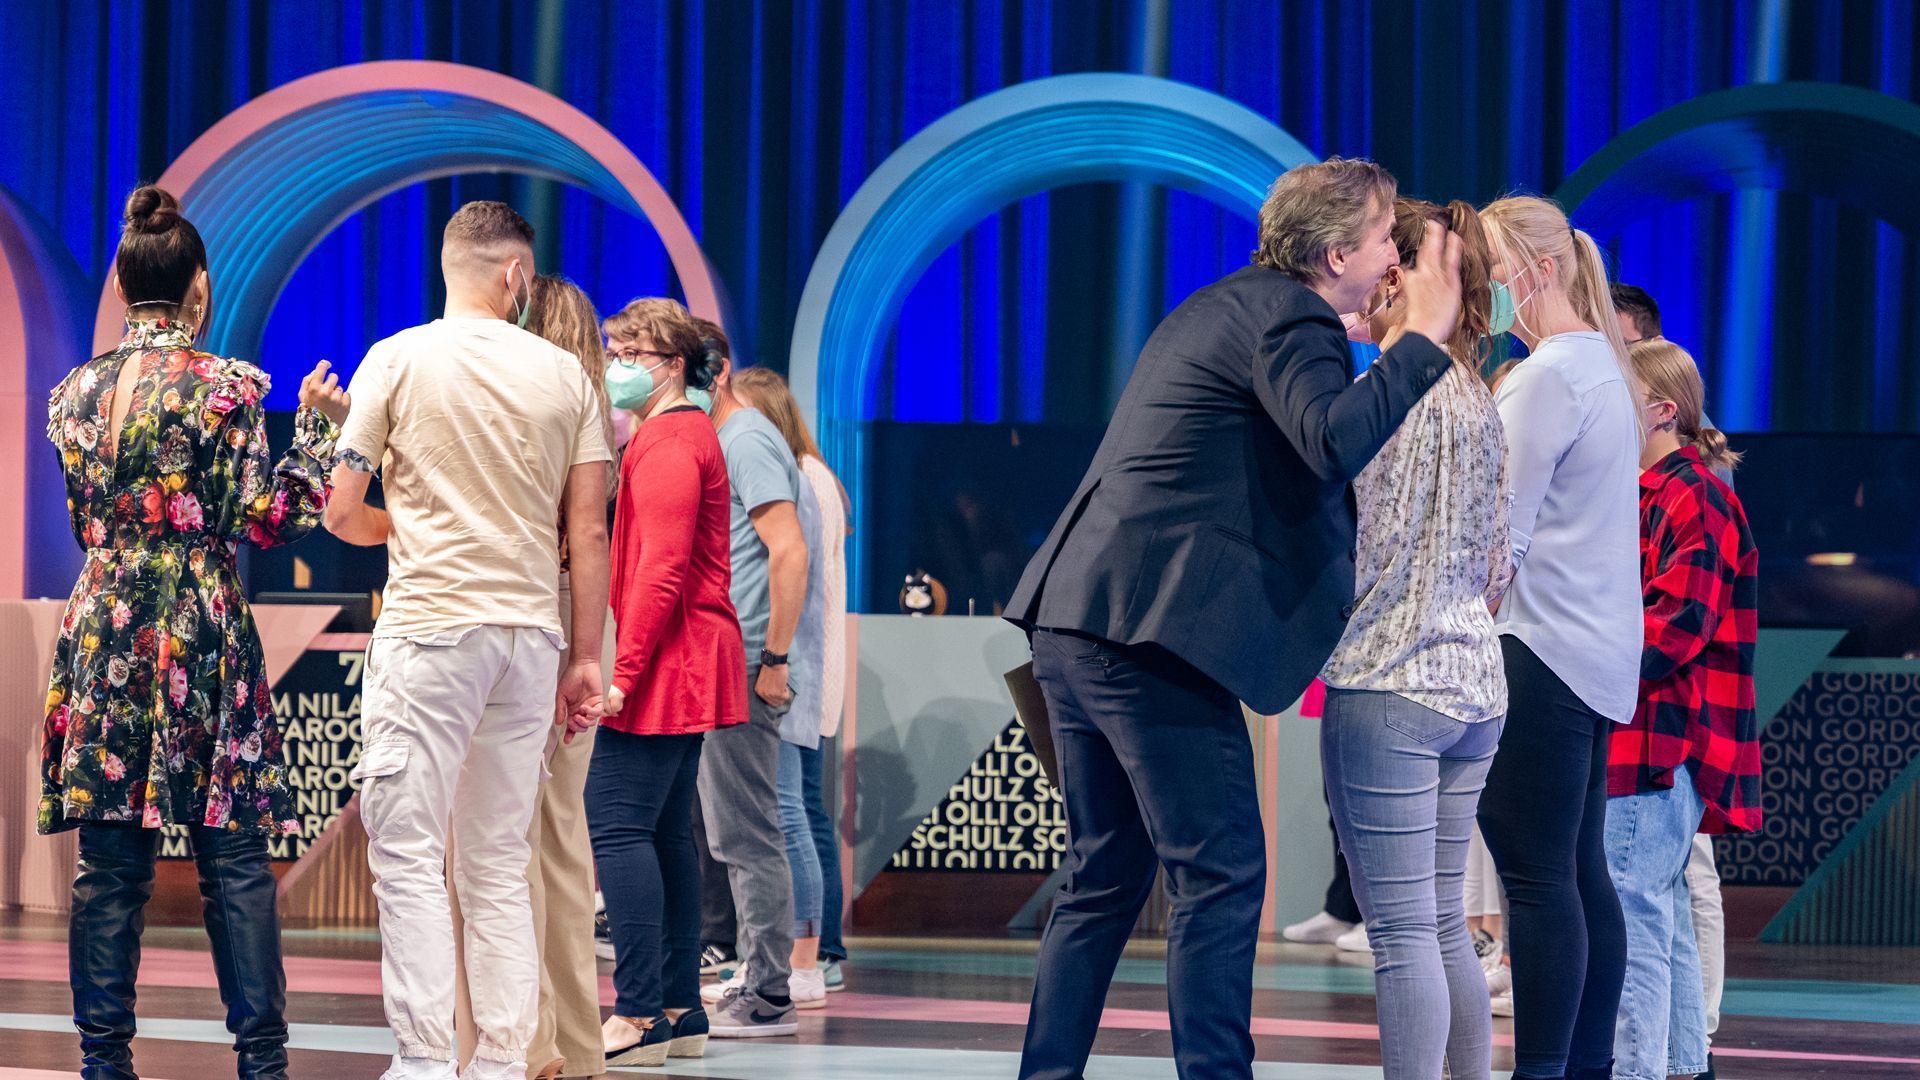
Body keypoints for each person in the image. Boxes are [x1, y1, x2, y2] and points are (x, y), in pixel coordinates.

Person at [1003, 158, 1464, 1080]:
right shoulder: (1294, 317)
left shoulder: (1233, 303)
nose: (1395, 260)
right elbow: (1329, 442)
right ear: (1336, 255)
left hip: (1080, 617)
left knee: (1106, 877)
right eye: (1385, 240)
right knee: (1218, 875)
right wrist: (1422, 339)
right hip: (1147, 635)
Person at [41, 184, 349, 1080]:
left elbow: (85, 516)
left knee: (109, 866)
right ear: (200, 288)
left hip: (103, 622)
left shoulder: (73, 393)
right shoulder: (224, 387)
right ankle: (262, 1062)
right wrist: (317, 434)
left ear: (121, 284)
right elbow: (269, 519)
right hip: (197, 621)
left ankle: (103, 1063)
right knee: (233, 855)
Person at [327, 201, 612, 1080]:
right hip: (529, 638)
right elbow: (589, 531)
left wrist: (405, 527)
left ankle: (423, 1061)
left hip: (430, 632)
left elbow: (340, 511)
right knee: (496, 861)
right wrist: (586, 658)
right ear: (516, 274)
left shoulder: (395, 359)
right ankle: (500, 1062)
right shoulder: (568, 376)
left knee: (410, 854)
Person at [1318, 198, 1510, 1080]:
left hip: (1389, 675)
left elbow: (1354, 546)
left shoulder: (1382, 396)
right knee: (1439, 926)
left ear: (1400, 277)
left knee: (1401, 935)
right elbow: (1499, 560)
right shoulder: (1480, 397)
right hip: (1473, 678)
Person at [1475, 194, 1643, 1080]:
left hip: (1538, 647)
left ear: (1537, 270)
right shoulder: (1603, 367)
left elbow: (1498, 532)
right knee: (1576, 873)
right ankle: (1581, 1067)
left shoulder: (1547, 376)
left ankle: (1542, 1069)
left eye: (1491, 269)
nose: (1483, 287)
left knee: (1540, 878)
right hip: (1589, 651)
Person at [445, 275, 616, 1080]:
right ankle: (574, 1045)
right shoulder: (590, 413)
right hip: (583, 616)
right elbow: (594, 535)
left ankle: (521, 1044)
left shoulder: (519, 409)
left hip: (524, 612)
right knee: (560, 841)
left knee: (495, 842)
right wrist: (590, 650)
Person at [588, 297, 742, 1066]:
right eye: (613, 351)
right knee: (663, 832)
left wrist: (622, 672)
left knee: (617, 825)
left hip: (667, 662)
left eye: (631, 354)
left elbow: (662, 569)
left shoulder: (674, 441)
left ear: (673, 364)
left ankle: (640, 1010)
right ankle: (678, 1008)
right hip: (680, 658)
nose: (617, 366)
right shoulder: (673, 434)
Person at [1606, 339, 1760, 1080]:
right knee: (1654, 908)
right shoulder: (1648, 491)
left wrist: (1589, 676)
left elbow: (1678, 623)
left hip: (1659, 733)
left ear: (1662, 410)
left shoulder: (1691, 494)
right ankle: (1678, 1066)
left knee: (1633, 905)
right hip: (1646, 727)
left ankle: (1640, 1070)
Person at [690, 323, 817, 1033]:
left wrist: (773, 659)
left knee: (747, 833)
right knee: (729, 834)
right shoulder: (723, 439)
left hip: (742, 662)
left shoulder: (746, 439)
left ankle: (769, 990)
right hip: (721, 658)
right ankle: (754, 972)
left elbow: (787, 550)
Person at [730, 367, 854, 991]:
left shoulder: (801, 478)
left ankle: (806, 956)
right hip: (798, 661)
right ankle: (805, 952)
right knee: (795, 808)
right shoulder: (808, 475)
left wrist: (777, 660)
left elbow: (800, 578)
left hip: (790, 662)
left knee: (789, 811)